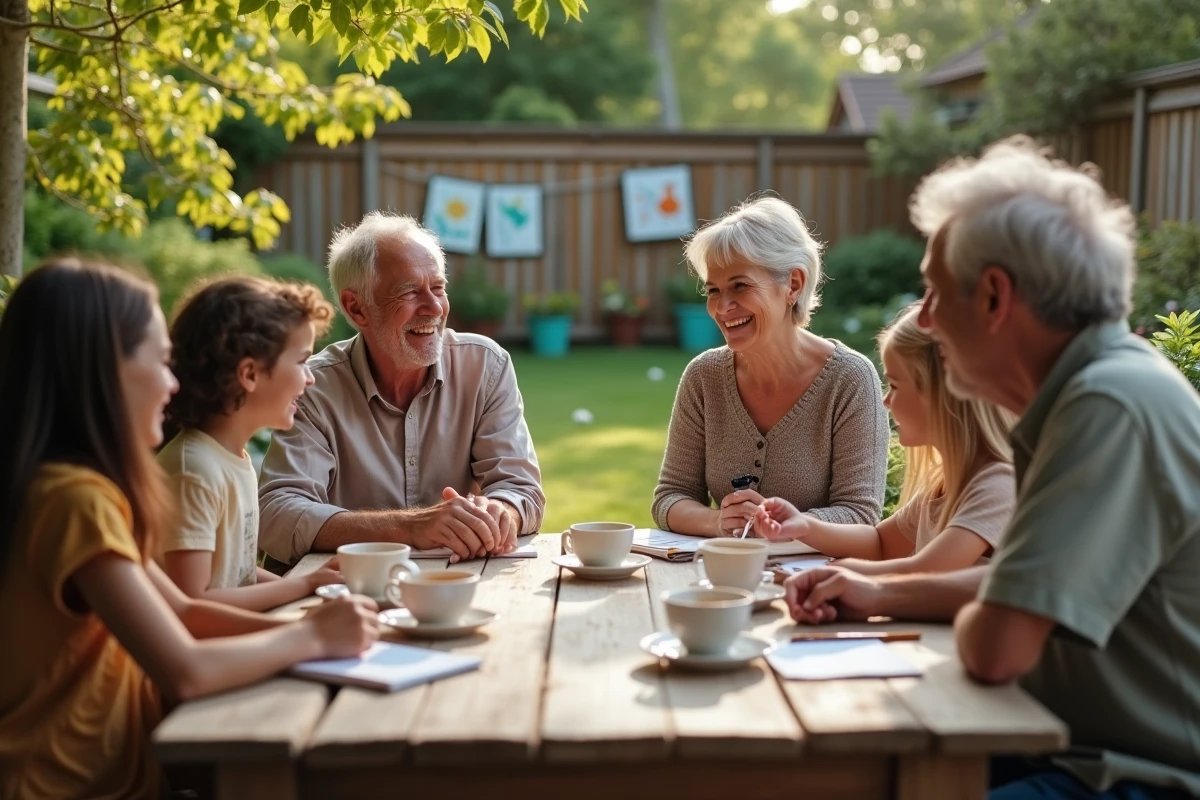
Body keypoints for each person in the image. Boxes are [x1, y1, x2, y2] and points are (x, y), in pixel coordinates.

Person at [774, 138, 1200, 799]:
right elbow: (1020, 590)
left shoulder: (1108, 406)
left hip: (1133, 777)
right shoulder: (1088, 395)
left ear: (996, 297)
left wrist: (967, 603)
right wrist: (878, 591)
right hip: (1060, 745)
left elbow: (997, 644)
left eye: (937, 295)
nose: (929, 322)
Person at [0, 260, 379, 799]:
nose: (174, 383)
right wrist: (313, 636)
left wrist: (339, 631)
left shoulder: (77, 490)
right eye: (160, 362)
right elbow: (185, 669)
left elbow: (179, 612)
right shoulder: (72, 500)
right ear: (103, 370)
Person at [258, 212, 545, 566]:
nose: (435, 308)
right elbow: (277, 514)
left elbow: (522, 490)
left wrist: (499, 513)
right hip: (349, 593)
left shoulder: (486, 365)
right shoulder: (315, 387)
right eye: (410, 292)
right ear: (357, 308)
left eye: (438, 288)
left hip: (458, 584)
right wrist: (409, 528)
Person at [652, 196, 889, 538]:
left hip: (817, 584)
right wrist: (718, 521)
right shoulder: (703, 376)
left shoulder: (850, 379)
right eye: (714, 290)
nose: (723, 307)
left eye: (740, 286)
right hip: (724, 578)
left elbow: (860, 513)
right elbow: (670, 497)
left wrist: (788, 527)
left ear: (793, 284)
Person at [752, 304, 1016, 575]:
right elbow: (880, 544)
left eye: (896, 386)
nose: (885, 401)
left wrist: (838, 574)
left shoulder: (997, 486)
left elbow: (924, 573)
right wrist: (804, 525)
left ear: (942, 397)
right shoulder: (943, 485)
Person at [158, 276, 344, 610]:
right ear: (250, 374)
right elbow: (193, 603)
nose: (311, 377)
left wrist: (317, 587)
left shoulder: (230, 458)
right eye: (302, 361)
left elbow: (237, 575)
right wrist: (305, 583)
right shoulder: (194, 471)